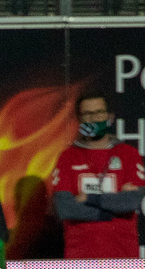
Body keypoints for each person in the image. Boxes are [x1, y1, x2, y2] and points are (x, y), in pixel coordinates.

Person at [51, 92, 145, 259]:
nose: (94, 119)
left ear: (109, 117)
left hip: (123, 258)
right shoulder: (68, 157)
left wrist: (88, 198)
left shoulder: (128, 154)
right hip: (78, 259)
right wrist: (109, 211)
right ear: (79, 119)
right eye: (87, 114)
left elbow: (130, 202)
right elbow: (65, 208)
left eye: (99, 113)